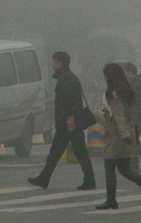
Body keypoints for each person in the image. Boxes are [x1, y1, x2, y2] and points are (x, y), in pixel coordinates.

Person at [94, 63, 141, 210]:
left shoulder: (113, 93)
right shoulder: (126, 90)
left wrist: (124, 136)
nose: (104, 77)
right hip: (125, 131)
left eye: (106, 75)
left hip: (117, 133)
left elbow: (118, 115)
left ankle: (111, 200)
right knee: (125, 169)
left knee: (109, 166)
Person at [27, 51, 96, 190]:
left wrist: (69, 120)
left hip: (67, 124)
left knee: (56, 153)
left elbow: (67, 102)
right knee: (77, 153)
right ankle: (88, 180)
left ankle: (44, 179)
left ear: (60, 62)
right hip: (70, 122)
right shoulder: (70, 77)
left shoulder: (65, 79)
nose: (53, 65)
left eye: (54, 62)